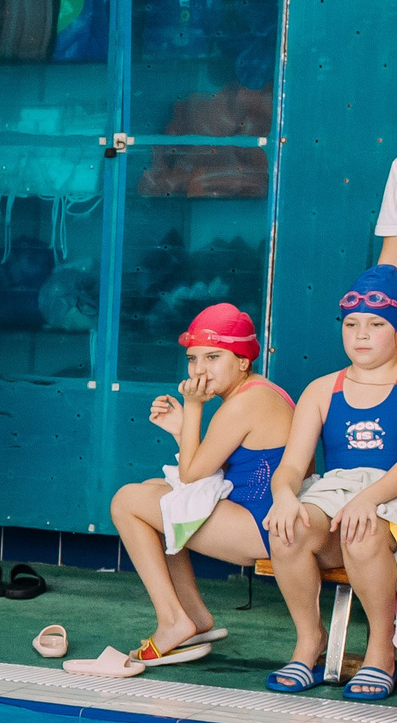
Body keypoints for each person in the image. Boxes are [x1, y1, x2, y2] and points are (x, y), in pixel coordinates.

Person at [98, 304, 292, 669]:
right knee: (154, 488)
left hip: (263, 527)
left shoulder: (245, 403)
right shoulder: (263, 392)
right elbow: (205, 469)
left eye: (213, 357)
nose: (199, 370)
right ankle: (194, 617)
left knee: (126, 500)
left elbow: (191, 475)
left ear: (243, 361)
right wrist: (180, 429)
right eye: (193, 358)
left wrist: (192, 408)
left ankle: (173, 621)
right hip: (261, 515)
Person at [261, 267, 397, 697]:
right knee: (288, 529)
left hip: (389, 495)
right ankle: (309, 640)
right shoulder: (322, 390)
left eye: (377, 324)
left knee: (363, 527)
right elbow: (291, 467)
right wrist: (283, 497)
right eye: (352, 324)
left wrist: (369, 500)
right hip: (337, 494)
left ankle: (381, 651)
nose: (361, 334)